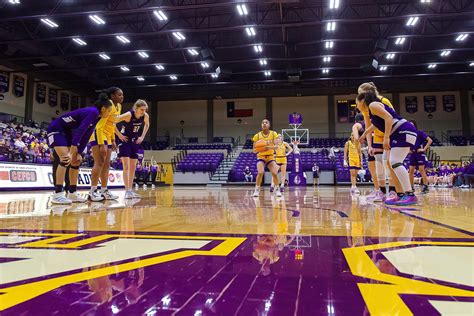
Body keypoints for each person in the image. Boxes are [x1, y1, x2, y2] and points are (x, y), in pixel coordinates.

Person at [48, 93, 112, 204]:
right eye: (109, 111)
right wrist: (73, 149)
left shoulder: (97, 117)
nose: (109, 113)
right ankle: (57, 194)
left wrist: (79, 152)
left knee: (77, 160)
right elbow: (81, 130)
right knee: (65, 159)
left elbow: (87, 135)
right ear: (103, 108)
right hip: (56, 129)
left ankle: (72, 193)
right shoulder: (93, 112)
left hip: (67, 132)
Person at [357, 91, 418, 205]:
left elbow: (389, 118)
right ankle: (401, 194)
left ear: (363, 101)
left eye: (357, 102)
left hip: (402, 130)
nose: (357, 106)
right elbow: (377, 124)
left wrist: (386, 138)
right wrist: (365, 133)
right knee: (392, 163)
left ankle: (410, 194)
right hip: (403, 131)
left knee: (395, 162)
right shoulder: (373, 109)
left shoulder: (373, 105)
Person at [358, 82, 402, 201]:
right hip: (377, 136)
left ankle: (393, 191)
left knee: (389, 163)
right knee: (378, 164)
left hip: (389, 133)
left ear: (367, 93)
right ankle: (381, 192)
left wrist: (388, 136)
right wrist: (370, 145)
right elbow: (368, 125)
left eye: (360, 94)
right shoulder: (365, 107)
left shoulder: (383, 101)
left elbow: (392, 118)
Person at [89, 87, 124, 202]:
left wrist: (113, 140)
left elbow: (113, 124)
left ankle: (104, 190)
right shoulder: (108, 104)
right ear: (112, 96)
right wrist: (101, 144)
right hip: (98, 134)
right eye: (119, 95)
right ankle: (93, 191)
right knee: (99, 162)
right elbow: (99, 126)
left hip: (108, 136)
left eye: (122, 95)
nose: (122, 97)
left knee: (107, 164)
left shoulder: (119, 106)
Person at [116, 99, 150, 199]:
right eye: (141, 110)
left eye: (145, 110)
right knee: (126, 166)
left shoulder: (145, 116)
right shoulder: (128, 115)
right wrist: (119, 135)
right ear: (136, 108)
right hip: (125, 141)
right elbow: (113, 122)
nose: (143, 112)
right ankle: (127, 191)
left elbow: (147, 124)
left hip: (135, 141)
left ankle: (130, 190)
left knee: (133, 167)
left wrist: (142, 136)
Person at [252, 119, 281, 198]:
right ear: (261, 125)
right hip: (261, 156)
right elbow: (254, 150)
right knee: (260, 172)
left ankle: (277, 189)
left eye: (266, 122)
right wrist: (260, 149)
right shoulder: (257, 136)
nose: (264, 124)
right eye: (263, 123)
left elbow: (276, 146)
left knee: (274, 173)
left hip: (270, 156)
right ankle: (257, 189)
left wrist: (267, 147)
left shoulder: (273, 134)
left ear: (269, 125)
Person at [408, 120, 432, 194]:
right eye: (409, 125)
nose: (411, 126)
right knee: (411, 171)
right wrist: (408, 150)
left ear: (415, 126)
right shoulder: (409, 134)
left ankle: (425, 187)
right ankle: (411, 187)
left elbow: (430, 140)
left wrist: (424, 149)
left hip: (419, 153)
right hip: (412, 153)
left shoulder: (420, 133)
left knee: (422, 170)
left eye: (412, 125)